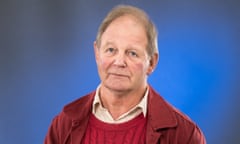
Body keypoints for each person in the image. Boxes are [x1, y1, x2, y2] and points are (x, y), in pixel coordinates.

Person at [45, 4, 206, 144]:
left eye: (132, 53)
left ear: (152, 62)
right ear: (97, 53)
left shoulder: (183, 135)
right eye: (111, 50)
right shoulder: (64, 125)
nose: (119, 62)